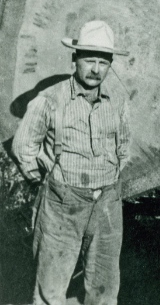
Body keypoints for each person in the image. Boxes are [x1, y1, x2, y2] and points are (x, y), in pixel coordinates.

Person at [13, 20, 131, 305]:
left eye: (103, 62)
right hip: (62, 206)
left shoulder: (118, 101)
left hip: (107, 206)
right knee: (50, 291)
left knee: (104, 289)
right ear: (74, 59)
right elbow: (23, 147)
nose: (95, 69)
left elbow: (125, 148)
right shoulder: (50, 100)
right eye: (89, 60)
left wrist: (109, 182)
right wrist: (45, 179)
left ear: (110, 64)